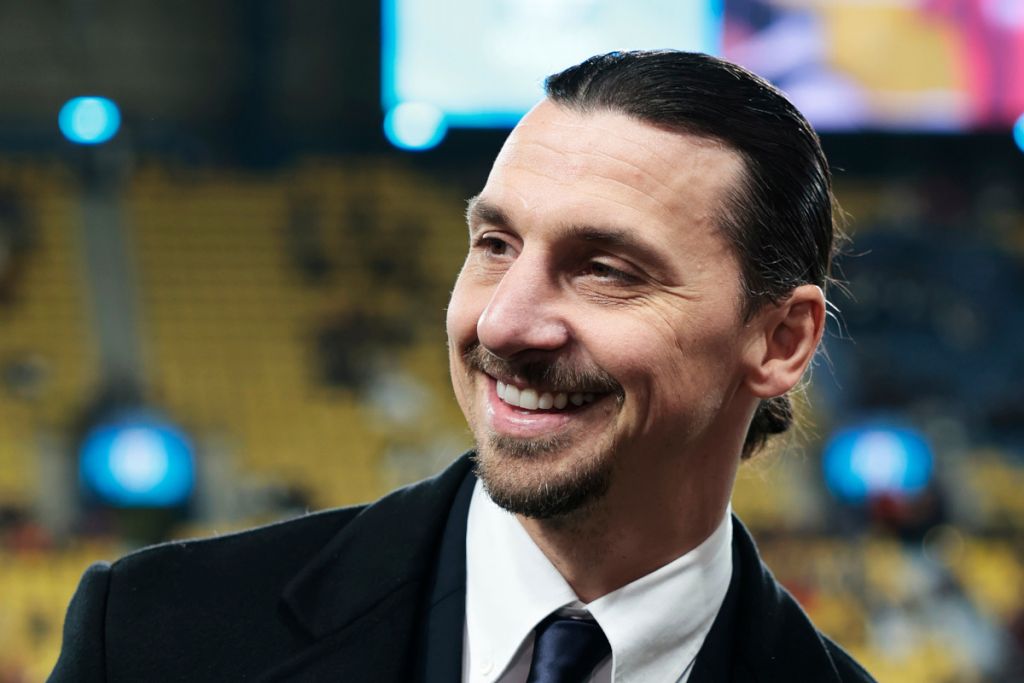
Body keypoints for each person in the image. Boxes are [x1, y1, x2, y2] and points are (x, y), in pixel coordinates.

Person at [49, 50, 874, 682]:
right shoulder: (153, 636)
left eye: (605, 269)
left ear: (781, 341)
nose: (503, 322)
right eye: (495, 245)